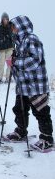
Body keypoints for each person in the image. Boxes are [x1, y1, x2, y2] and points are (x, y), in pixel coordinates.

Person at [4, 15, 53, 152]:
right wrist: (12, 63)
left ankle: (47, 138)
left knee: (41, 111)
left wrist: (16, 62)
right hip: (23, 85)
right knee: (19, 109)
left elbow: (35, 60)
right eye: (12, 27)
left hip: (35, 85)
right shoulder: (19, 42)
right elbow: (20, 63)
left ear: (21, 26)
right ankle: (21, 131)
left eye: (14, 26)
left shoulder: (32, 39)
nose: (12, 29)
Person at [0, 12, 14, 83]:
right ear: (2, 20)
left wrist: (11, 39)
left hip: (9, 48)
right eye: (4, 19)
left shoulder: (11, 27)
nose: (5, 20)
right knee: (1, 64)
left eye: (6, 19)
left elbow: (14, 36)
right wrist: (1, 40)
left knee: (9, 63)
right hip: (1, 49)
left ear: (8, 19)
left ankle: (9, 77)